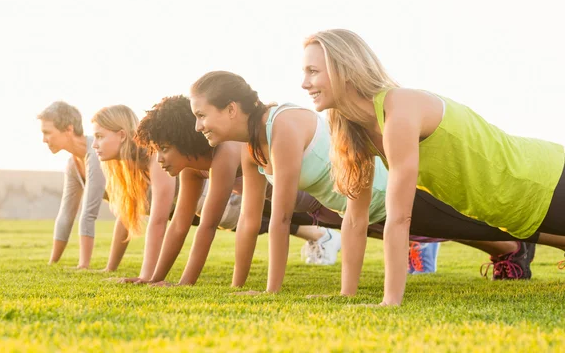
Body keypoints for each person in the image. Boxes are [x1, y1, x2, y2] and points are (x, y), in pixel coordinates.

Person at [188, 72, 549, 293]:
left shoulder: (280, 125)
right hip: (365, 207)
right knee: (479, 225)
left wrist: (270, 292)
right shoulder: (252, 150)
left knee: (497, 219)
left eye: (202, 115)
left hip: (393, 190)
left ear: (231, 109)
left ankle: (524, 246)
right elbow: (252, 222)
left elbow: (281, 219)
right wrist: (237, 288)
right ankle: (515, 250)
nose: (198, 126)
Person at [301, 28, 565, 305]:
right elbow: (355, 218)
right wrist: (347, 294)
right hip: (515, 214)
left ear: (345, 70)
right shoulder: (356, 131)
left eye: (313, 71)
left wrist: (390, 301)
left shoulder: (399, 108)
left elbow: (400, 218)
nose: (304, 83)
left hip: (543, 180)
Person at [131, 95, 342, 288]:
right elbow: (179, 224)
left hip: (319, 197)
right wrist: (154, 279)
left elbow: (208, 225)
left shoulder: (225, 152)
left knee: (371, 223)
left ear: (184, 142)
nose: (159, 160)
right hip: (304, 206)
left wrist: (184, 284)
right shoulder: (192, 169)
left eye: (165, 149)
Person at [91, 104, 177, 282]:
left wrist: (146, 277)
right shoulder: (130, 165)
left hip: (232, 204)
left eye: (99, 137)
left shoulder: (155, 155)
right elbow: (125, 216)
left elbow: (159, 221)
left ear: (122, 135)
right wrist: (110, 268)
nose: (94, 145)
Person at [38, 101, 106, 269]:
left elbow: (89, 213)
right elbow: (66, 214)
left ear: (68, 129)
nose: (44, 140)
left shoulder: (96, 153)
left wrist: (83, 265)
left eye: (47, 133)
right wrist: (52, 263)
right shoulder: (73, 164)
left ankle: (84, 264)